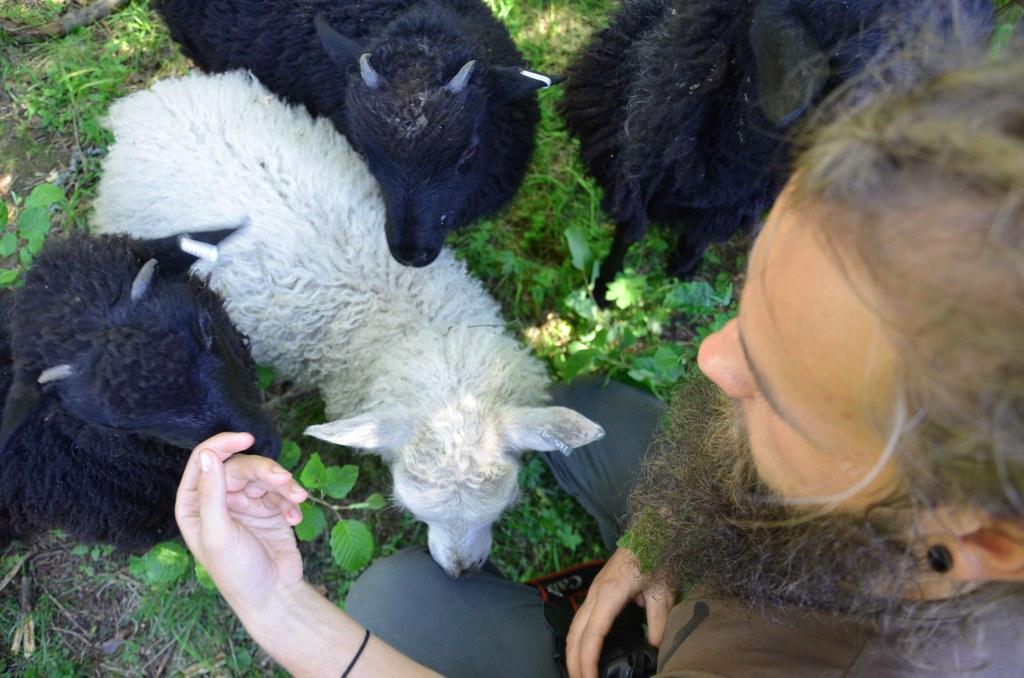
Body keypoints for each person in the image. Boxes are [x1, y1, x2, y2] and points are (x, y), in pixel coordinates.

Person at [175, 45, 1024, 677]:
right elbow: (732, 393)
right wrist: (661, 533)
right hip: (746, 561)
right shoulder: (895, 453)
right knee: (598, 408)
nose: (709, 358)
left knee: (393, 604)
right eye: (746, 314)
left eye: (778, 382)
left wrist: (280, 610)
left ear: (979, 535)